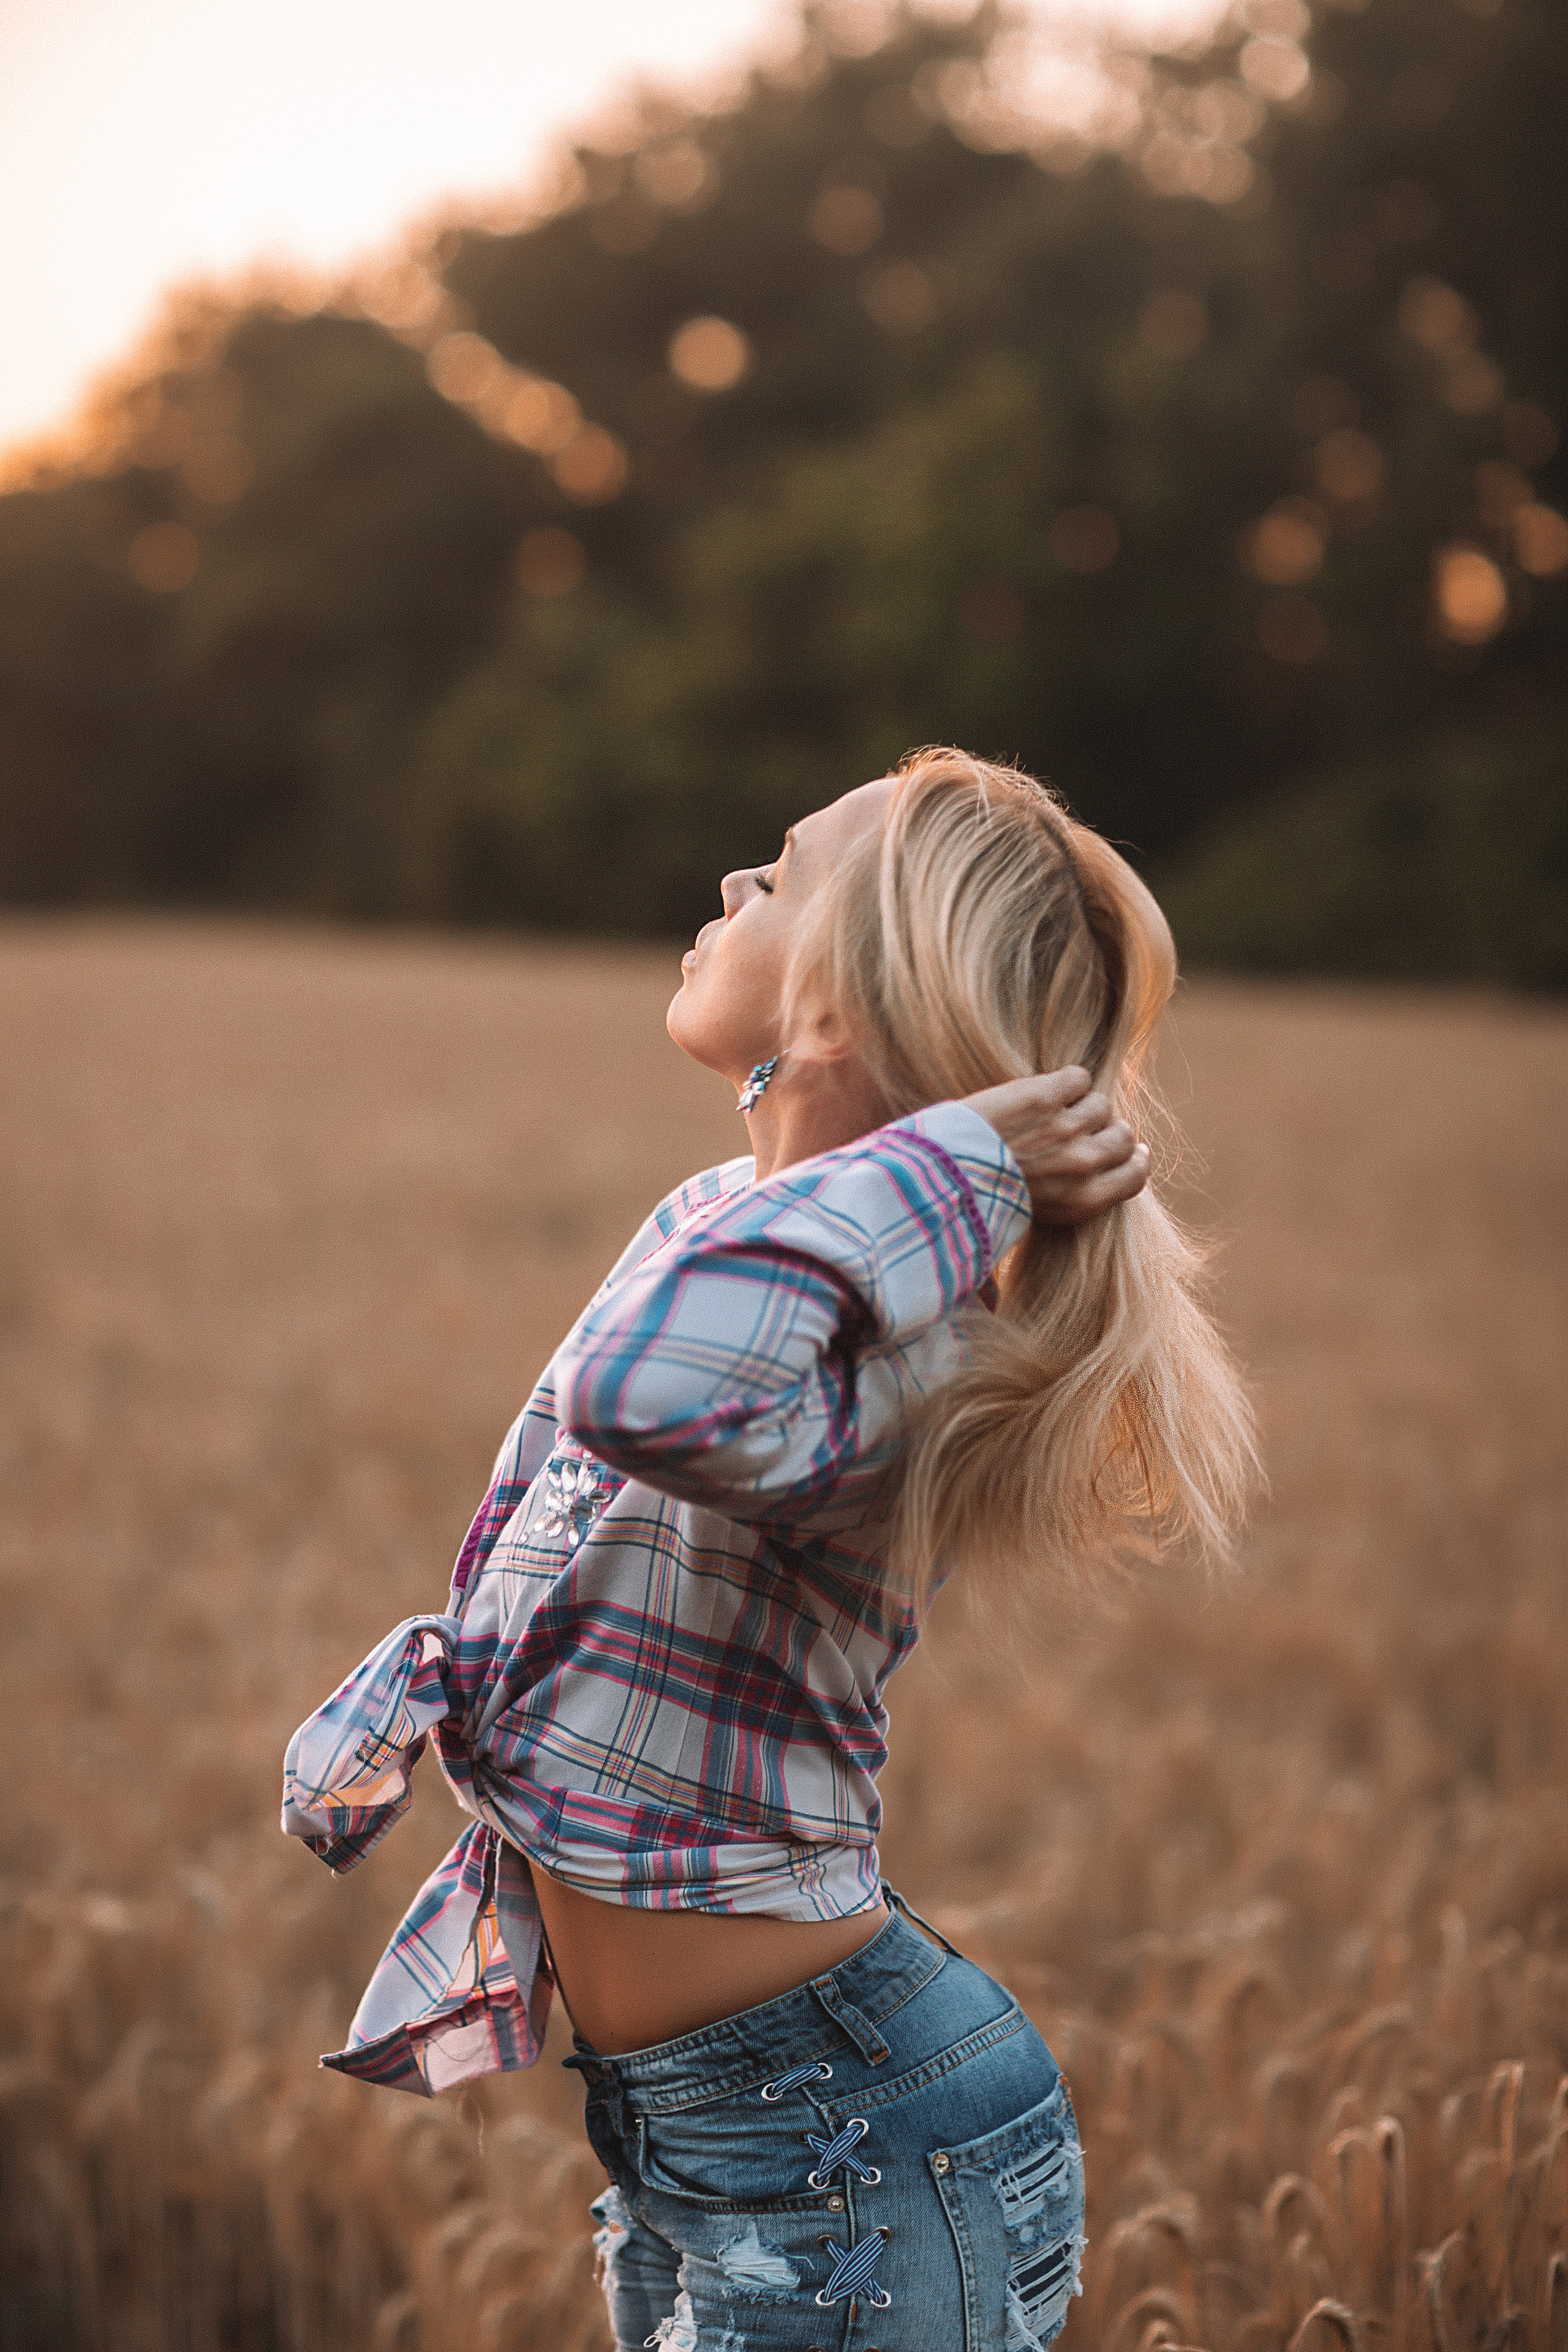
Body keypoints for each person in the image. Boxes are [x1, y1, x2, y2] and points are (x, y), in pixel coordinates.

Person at [283, 748, 1255, 2351]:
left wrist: (968, 1162)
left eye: (780, 874)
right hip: (705, 2135)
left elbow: (639, 1392)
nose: (733, 886)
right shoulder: (717, 1227)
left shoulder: (917, 1324)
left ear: (849, 1000)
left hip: (853, 2147)